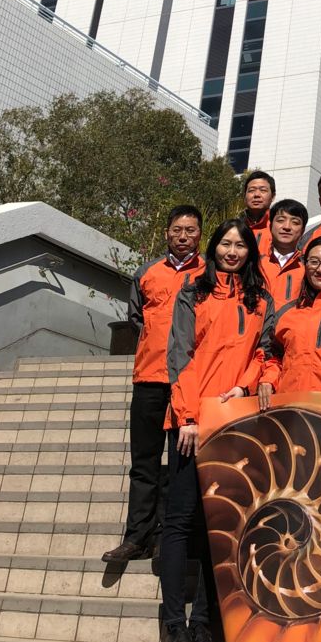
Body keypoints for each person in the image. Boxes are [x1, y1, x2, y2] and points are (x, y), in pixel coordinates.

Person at [162, 219, 275, 642]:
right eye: (225, 244)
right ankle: (175, 622)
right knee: (180, 521)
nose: (232, 251)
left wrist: (244, 387)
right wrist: (188, 416)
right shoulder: (193, 292)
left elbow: (265, 352)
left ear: (250, 252)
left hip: (235, 423)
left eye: (240, 245)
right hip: (191, 423)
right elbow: (181, 355)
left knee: (223, 526)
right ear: (213, 249)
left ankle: (205, 622)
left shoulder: (260, 298)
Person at [102, 207, 205, 564]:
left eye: (190, 230)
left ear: (199, 234)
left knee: (180, 465)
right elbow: (136, 318)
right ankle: (137, 536)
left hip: (186, 383)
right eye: (177, 229)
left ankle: (168, 537)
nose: (183, 236)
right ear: (166, 233)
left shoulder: (209, 274)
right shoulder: (147, 272)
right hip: (148, 378)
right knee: (143, 462)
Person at [259, 237, 321, 409]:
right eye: (314, 262)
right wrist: (268, 379)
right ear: (305, 265)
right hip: (288, 405)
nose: (320, 269)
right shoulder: (286, 313)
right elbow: (273, 357)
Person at [260, 198, 307, 310]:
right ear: (270, 226)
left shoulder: (308, 267)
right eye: (280, 220)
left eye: (295, 222)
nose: (287, 227)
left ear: (302, 230)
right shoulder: (254, 263)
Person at [242, 170, 275, 257]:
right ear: (244, 196)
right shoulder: (234, 228)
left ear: (273, 196)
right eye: (251, 190)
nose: (256, 194)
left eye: (263, 190)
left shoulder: (280, 229)